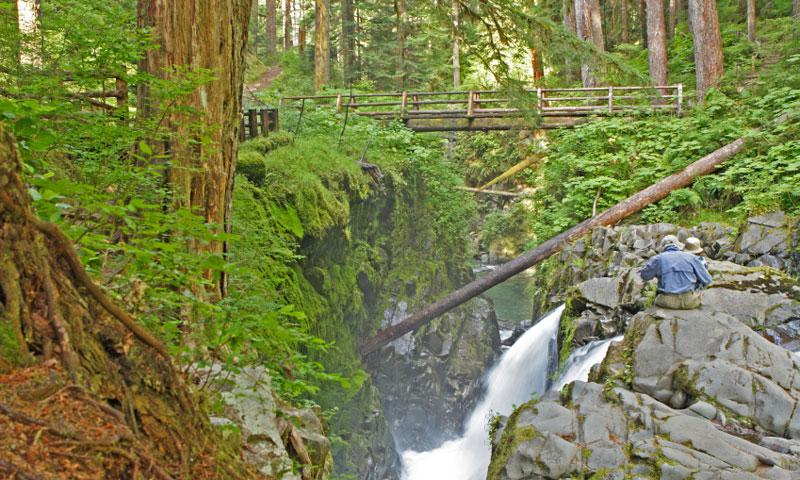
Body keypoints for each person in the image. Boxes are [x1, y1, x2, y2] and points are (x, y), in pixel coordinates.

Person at [639, 235, 713, 310]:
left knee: (655, 298)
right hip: (690, 302)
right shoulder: (692, 257)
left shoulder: (657, 259)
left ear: (663, 247)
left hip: (666, 302)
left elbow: (644, 276)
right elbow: (707, 280)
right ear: (678, 245)